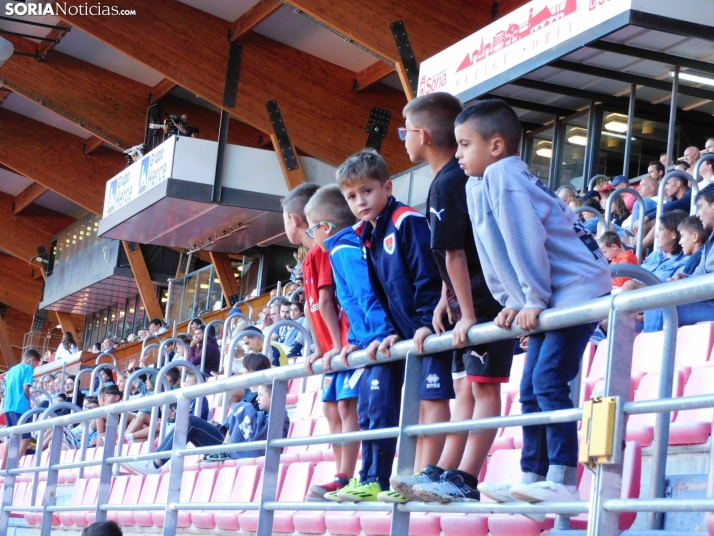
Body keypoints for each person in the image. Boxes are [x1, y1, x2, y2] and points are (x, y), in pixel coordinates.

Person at [456, 99, 611, 510]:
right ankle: (533, 476)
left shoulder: (504, 175)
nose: (457, 154)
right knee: (529, 388)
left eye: (464, 144)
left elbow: (526, 241)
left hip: (578, 287)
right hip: (551, 293)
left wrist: (533, 298)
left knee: (548, 381)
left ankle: (563, 476)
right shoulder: (481, 183)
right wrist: (513, 300)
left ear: (495, 146)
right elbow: (493, 249)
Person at [391, 92, 515, 503]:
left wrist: (466, 311)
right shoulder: (444, 180)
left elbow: (458, 252)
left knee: (483, 389)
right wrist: (449, 298)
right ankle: (445, 468)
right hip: (467, 301)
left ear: (421, 134)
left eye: (403, 132)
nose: (402, 139)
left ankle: (466, 476)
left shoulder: (451, 182)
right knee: (465, 389)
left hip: (485, 301)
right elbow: (452, 253)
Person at [338, 150, 456, 502]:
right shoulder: (367, 234)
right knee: (383, 405)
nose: (361, 201)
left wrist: (424, 323)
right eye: (352, 196)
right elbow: (379, 292)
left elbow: (429, 275)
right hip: (401, 335)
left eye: (367, 191)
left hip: (433, 327)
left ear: (387, 187)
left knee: (431, 398)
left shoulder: (407, 220)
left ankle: (423, 476)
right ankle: (393, 478)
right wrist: (387, 331)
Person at [304, 184, 399, 502]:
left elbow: (368, 295)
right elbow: (355, 305)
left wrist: (376, 335)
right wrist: (355, 340)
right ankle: (368, 478)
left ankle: (376, 480)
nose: (309, 235)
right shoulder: (340, 248)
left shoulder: (344, 248)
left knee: (375, 414)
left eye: (311, 228)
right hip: (366, 342)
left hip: (380, 343)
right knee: (369, 413)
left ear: (324, 227)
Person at [282, 182, 357, 499]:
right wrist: (317, 348)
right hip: (328, 350)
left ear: (294, 219)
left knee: (345, 406)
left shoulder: (324, 250)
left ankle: (346, 476)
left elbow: (328, 302)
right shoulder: (309, 257)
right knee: (329, 408)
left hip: (342, 347)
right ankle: (339, 474)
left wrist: (337, 346)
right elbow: (314, 308)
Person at [125, 382, 289, 474]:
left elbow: (256, 433)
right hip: (232, 448)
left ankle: (154, 464)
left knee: (192, 422)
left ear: (274, 397)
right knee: (190, 421)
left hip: (242, 452)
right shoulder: (258, 412)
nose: (258, 398)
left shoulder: (280, 416)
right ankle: (154, 461)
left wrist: (245, 407)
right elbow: (239, 425)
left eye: (261, 395)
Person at [626, 210, 690, 332]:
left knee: (631, 285)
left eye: (660, 230)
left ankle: (606, 328)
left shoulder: (686, 260)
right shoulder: (655, 255)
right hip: (634, 312)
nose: (655, 235)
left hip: (657, 314)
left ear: (673, 234)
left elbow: (672, 290)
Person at [667, 183, 714, 325]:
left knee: (663, 309)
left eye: (700, 207)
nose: (698, 214)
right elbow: (700, 273)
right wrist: (686, 278)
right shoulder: (711, 239)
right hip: (706, 300)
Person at [1, 349, 41, 469]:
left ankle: (3, 466)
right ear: (32, 360)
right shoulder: (28, 369)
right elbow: (26, 388)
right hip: (20, 406)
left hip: (8, 406)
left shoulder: (11, 370)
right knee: (27, 437)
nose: (35, 368)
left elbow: (5, 390)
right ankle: (14, 464)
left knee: (11, 436)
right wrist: (28, 404)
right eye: (36, 364)